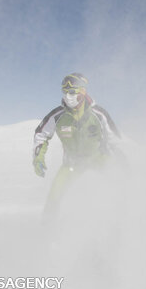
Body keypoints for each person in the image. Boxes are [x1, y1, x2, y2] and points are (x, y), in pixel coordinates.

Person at [32, 72, 121, 220]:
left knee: (120, 184)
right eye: (65, 92)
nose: (68, 96)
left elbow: (116, 140)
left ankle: (124, 224)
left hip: (98, 158)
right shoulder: (57, 115)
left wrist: (122, 161)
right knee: (54, 195)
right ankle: (48, 233)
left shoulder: (98, 114)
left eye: (72, 92)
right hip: (71, 163)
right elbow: (41, 135)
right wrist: (38, 158)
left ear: (83, 91)